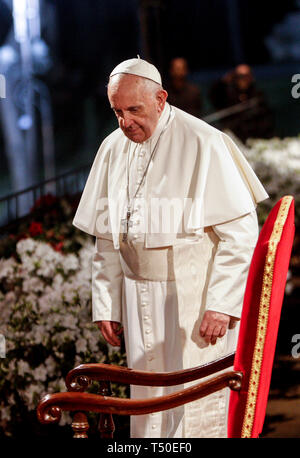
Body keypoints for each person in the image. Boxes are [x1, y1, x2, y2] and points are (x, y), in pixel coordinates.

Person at [73, 57, 268, 438]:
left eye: (134, 110)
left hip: (194, 299)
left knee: (194, 405)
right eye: (117, 112)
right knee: (148, 401)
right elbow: (107, 237)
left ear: (161, 98)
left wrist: (221, 303)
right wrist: (108, 302)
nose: (125, 122)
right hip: (137, 293)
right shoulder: (113, 147)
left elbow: (240, 234)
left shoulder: (204, 141)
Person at [209, 64, 275, 142]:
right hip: (235, 137)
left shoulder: (257, 95)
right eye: (239, 76)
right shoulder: (228, 95)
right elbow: (214, 96)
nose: (243, 79)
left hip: (256, 136)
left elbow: (266, 118)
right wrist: (223, 80)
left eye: (246, 76)